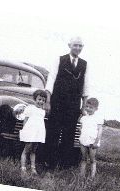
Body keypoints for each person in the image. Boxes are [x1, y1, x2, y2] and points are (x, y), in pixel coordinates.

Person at [44, 36, 90, 168]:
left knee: (69, 134)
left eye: (80, 46)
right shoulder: (59, 59)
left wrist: (83, 106)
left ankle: (64, 164)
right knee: (53, 132)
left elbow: (86, 86)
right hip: (57, 102)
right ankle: (49, 163)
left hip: (74, 105)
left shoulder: (84, 64)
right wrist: (48, 101)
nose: (78, 48)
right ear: (69, 45)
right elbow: (51, 80)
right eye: (75, 45)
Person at [19, 89, 47, 178]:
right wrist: (24, 130)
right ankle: (23, 168)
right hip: (30, 132)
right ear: (35, 99)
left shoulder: (43, 111)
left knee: (34, 150)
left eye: (43, 100)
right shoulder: (30, 108)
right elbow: (26, 120)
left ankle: (33, 168)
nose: (41, 102)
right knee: (27, 149)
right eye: (39, 99)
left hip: (37, 133)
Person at [79, 97, 103, 179]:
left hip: (93, 142)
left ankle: (92, 176)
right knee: (83, 158)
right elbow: (81, 129)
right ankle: (82, 175)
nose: (88, 109)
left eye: (91, 107)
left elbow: (100, 131)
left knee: (92, 159)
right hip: (83, 141)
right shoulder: (83, 118)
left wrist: (96, 142)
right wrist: (81, 137)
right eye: (87, 107)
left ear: (96, 109)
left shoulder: (98, 118)